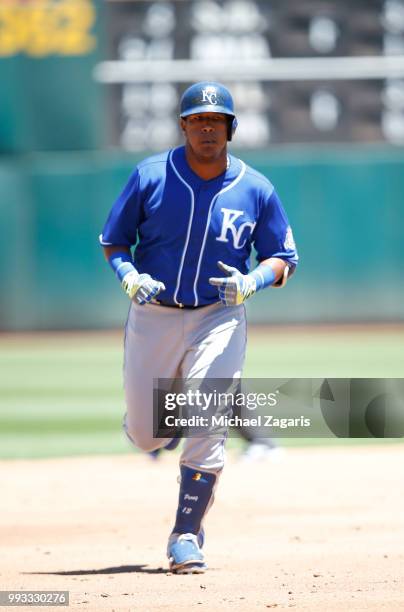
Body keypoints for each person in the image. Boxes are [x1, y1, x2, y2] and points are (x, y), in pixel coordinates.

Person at [100, 81, 298, 574]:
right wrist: (128, 275)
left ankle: (186, 534)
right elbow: (114, 240)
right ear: (184, 126)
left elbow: (284, 258)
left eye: (216, 120)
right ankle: (157, 428)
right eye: (197, 120)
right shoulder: (150, 175)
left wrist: (253, 279)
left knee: (207, 416)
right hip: (154, 314)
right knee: (148, 436)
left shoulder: (256, 188)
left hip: (219, 315)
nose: (207, 128)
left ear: (230, 127)